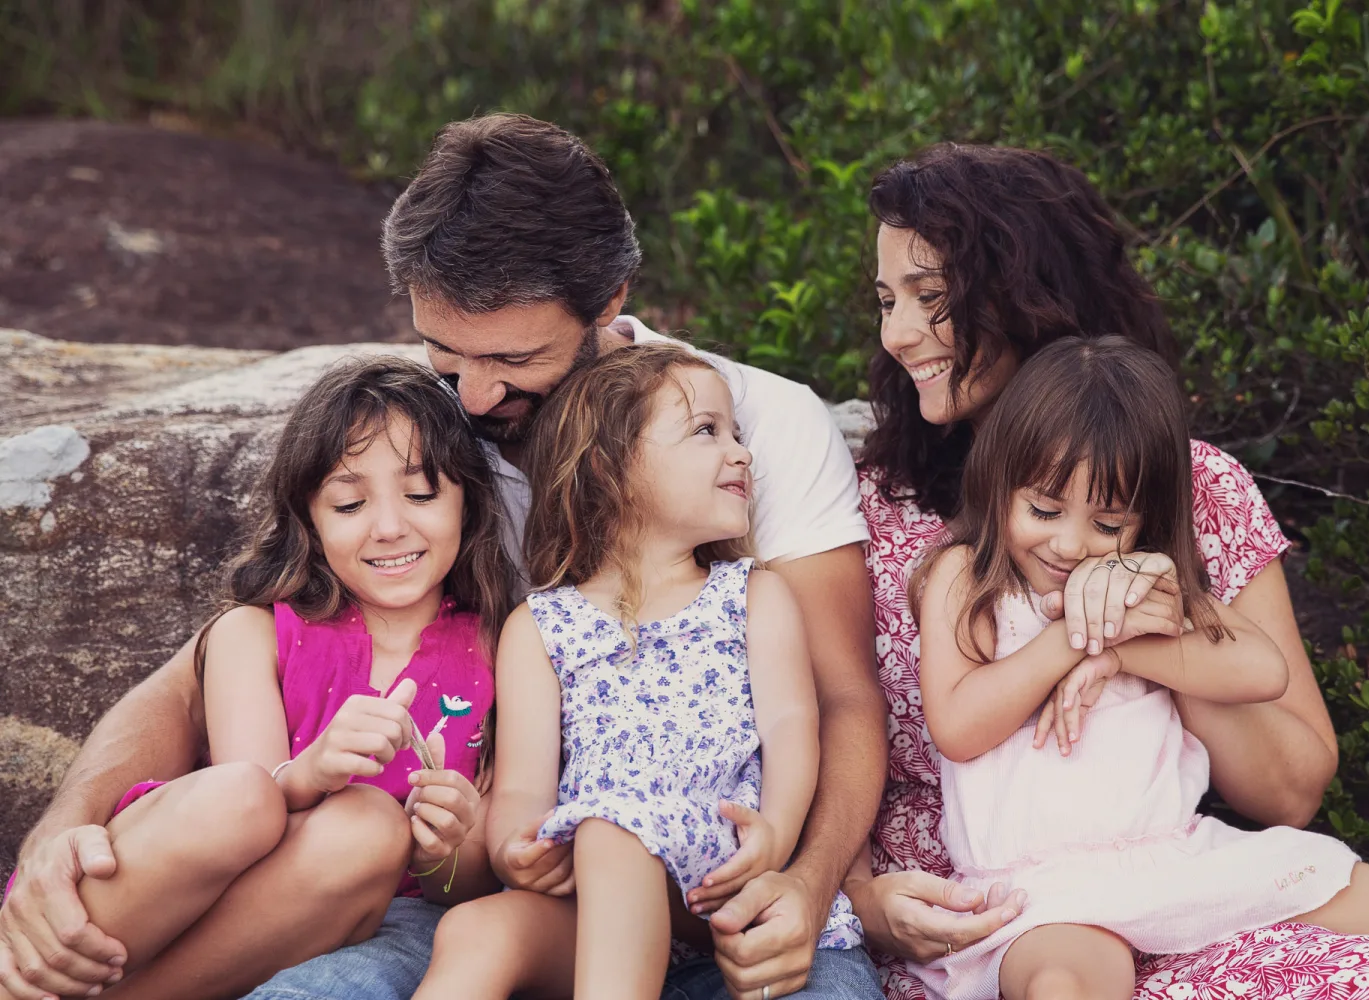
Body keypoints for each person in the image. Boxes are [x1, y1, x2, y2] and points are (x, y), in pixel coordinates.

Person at [0, 115, 887, 1000]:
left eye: (514, 357)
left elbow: (843, 700)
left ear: (609, 300)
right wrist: (58, 834)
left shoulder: (756, 427)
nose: (477, 394)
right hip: (490, 908)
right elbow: (196, 675)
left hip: (731, 894)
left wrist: (809, 887)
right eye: (443, 352)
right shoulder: (426, 441)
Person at [844, 142, 1369, 998]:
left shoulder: (1194, 488)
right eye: (887, 300)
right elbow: (819, 725)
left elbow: (1290, 789)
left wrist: (1136, 629)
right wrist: (858, 899)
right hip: (982, 921)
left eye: (931, 300)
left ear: (1026, 297)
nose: (898, 334)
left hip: (1178, 880)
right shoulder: (871, 514)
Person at [909, 335, 1369, 1000]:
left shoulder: (1143, 587)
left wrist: (1125, 644)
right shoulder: (968, 575)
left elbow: (1262, 670)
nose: (1070, 544)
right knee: (1065, 985)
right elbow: (958, 726)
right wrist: (1073, 642)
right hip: (1046, 893)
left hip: (1179, 860)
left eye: (1108, 524)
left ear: (1146, 519)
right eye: (1044, 510)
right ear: (998, 482)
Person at [0, 357, 508, 1000]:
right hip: (177, 890)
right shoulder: (255, 634)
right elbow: (252, 815)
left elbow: (470, 885)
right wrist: (313, 770)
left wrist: (443, 849)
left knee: (370, 828)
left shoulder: (498, 652)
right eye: (350, 503)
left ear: (468, 500)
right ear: (310, 521)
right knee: (241, 795)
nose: (389, 527)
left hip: (320, 916)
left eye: (422, 494)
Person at [415, 343, 862, 999]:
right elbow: (522, 786)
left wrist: (777, 835)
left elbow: (793, 729)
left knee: (612, 832)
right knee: (478, 930)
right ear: (611, 466)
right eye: (707, 431)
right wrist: (514, 848)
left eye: (737, 434)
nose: (741, 453)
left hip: (720, 880)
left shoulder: (750, 597)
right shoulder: (541, 626)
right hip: (595, 902)